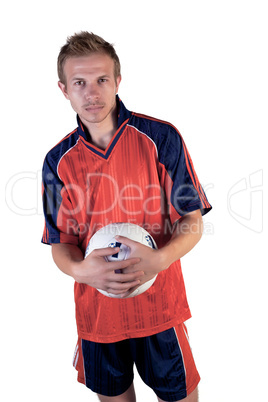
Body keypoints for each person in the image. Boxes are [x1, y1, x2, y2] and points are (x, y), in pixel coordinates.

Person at [42, 31, 212, 402]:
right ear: (64, 89)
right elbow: (61, 244)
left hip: (160, 309)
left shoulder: (160, 138)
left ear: (118, 80)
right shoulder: (58, 162)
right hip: (98, 316)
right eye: (80, 83)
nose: (92, 93)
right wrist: (80, 270)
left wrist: (159, 259)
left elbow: (193, 219)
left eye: (102, 80)